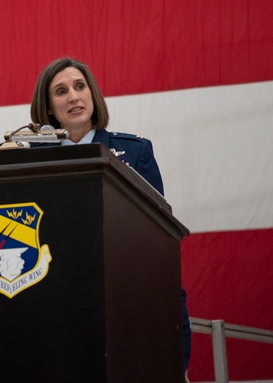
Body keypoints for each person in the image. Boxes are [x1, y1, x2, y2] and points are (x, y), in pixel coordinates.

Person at [29, 57, 189, 370]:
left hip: (127, 306)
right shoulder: (32, 161)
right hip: (57, 311)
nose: (74, 97)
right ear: (48, 108)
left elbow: (158, 242)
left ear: (92, 94)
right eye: (61, 91)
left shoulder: (135, 152)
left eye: (80, 86)